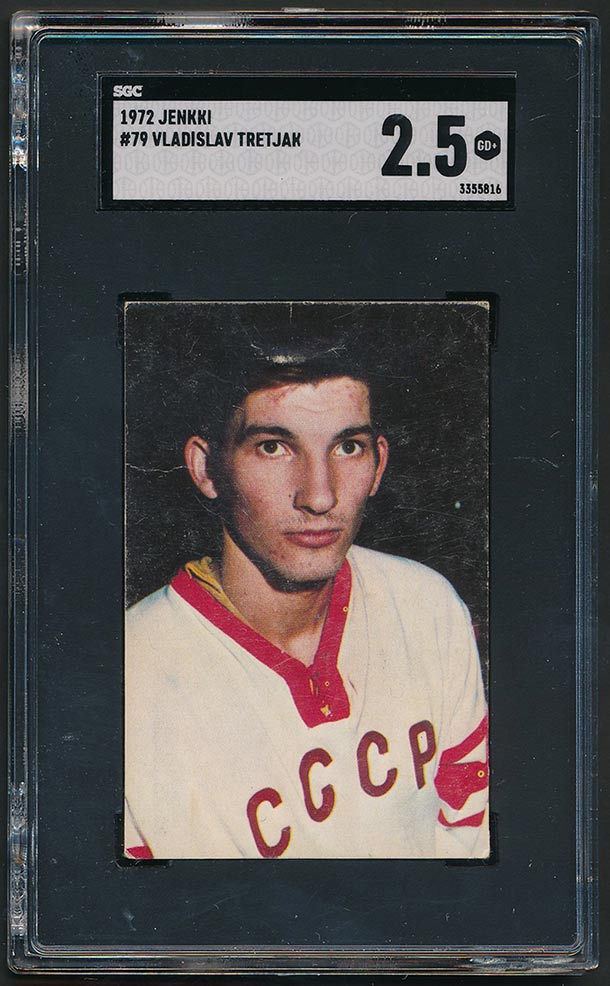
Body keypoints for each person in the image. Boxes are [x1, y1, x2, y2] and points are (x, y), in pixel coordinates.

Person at [124, 337, 489, 860]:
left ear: (379, 464)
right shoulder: (130, 678)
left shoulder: (425, 606)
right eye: (273, 447)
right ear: (206, 468)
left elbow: (472, 849)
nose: (320, 496)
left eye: (348, 447)